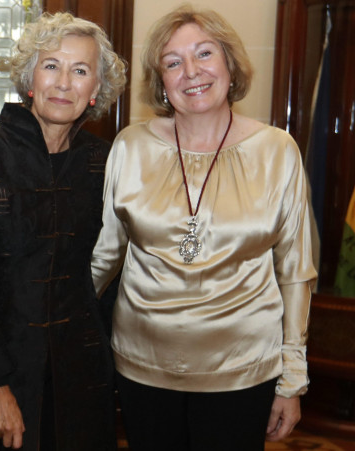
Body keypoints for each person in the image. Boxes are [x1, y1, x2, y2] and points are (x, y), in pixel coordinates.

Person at [89, 5, 317, 450]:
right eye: (173, 62)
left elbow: (295, 271)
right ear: (161, 80)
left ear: (230, 63)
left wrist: (292, 378)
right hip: (141, 367)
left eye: (204, 54)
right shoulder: (130, 147)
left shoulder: (277, 151)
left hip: (244, 371)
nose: (191, 72)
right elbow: (103, 256)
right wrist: (47, 330)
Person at [0, 12, 127, 450]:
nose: (64, 82)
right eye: (52, 66)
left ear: (95, 90)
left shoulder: (106, 161)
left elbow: (117, 271)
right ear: (30, 78)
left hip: (83, 378)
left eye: (80, 70)